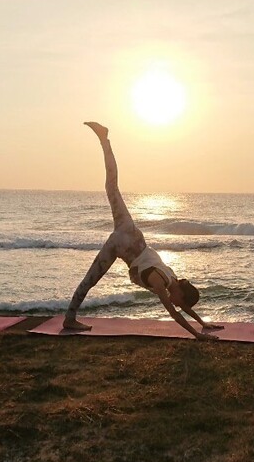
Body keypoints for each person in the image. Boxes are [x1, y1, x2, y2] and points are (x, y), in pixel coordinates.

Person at [62, 122, 222, 340]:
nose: (176, 303)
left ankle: (104, 140)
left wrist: (203, 323)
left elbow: (181, 305)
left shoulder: (172, 277)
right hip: (122, 244)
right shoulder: (160, 282)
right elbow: (174, 313)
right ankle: (69, 319)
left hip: (131, 232)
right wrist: (197, 334)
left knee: (112, 187)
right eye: (179, 301)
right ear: (181, 293)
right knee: (89, 280)